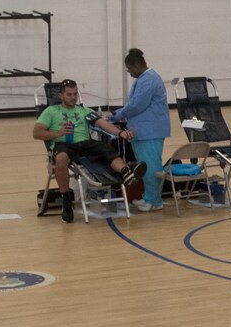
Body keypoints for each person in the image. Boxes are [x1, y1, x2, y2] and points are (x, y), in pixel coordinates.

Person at [33, 78, 146, 223]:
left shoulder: (84, 110)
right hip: (64, 144)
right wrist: (58, 133)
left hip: (85, 143)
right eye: (69, 94)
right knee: (61, 159)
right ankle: (66, 200)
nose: (73, 97)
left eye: (75, 94)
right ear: (61, 96)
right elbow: (36, 133)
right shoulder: (50, 111)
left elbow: (103, 124)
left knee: (107, 149)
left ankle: (126, 172)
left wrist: (120, 133)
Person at [108, 48, 170, 212]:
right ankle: (149, 196)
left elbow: (136, 105)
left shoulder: (148, 79)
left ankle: (154, 201)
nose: (129, 72)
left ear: (136, 65)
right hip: (144, 131)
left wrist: (115, 116)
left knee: (151, 167)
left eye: (129, 69)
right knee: (146, 166)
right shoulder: (144, 78)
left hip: (150, 131)